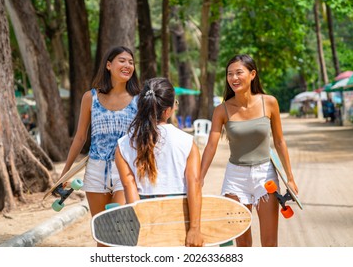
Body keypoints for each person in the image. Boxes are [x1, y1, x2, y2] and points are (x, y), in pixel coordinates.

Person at [200, 54, 298, 247]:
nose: (234, 78)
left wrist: (290, 177)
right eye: (230, 74)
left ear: (252, 74)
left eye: (239, 73)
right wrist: (199, 177)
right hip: (235, 177)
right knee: (242, 241)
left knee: (269, 242)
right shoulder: (222, 110)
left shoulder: (269, 102)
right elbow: (211, 145)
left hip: (266, 176)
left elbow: (279, 141)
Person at [59, 46, 140, 246]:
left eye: (131, 62)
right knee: (102, 234)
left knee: (119, 228)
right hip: (95, 171)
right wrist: (66, 172)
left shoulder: (139, 100)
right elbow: (80, 138)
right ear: (108, 65)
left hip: (126, 171)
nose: (128, 65)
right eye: (122, 60)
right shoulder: (90, 98)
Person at [115, 77, 204, 247]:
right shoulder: (187, 142)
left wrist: (139, 228)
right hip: (180, 219)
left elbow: (129, 187)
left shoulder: (123, 145)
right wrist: (195, 229)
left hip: (145, 218)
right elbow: (195, 184)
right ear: (168, 111)